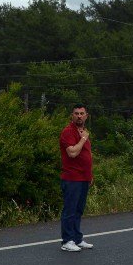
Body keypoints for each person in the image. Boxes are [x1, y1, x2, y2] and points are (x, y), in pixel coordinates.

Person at [59, 104, 94, 252]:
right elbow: (72, 153)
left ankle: (77, 239)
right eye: (76, 113)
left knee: (79, 210)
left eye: (82, 113)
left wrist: (89, 175)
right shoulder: (68, 132)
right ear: (72, 116)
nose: (79, 116)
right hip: (72, 178)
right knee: (70, 210)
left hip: (83, 178)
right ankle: (67, 241)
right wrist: (83, 139)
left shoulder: (83, 132)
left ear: (86, 116)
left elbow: (86, 156)